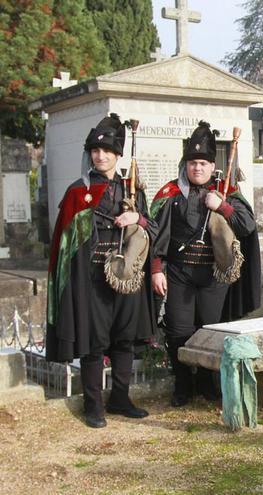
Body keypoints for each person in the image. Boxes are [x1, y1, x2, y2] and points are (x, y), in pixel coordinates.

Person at [46, 113, 155, 428]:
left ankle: (120, 398)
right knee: (94, 343)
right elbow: (65, 242)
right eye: (95, 150)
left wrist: (138, 220)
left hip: (127, 276)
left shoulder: (133, 191)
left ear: (118, 155)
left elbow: (154, 228)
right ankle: (93, 405)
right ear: (90, 154)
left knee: (123, 339)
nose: (101, 155)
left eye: (107, 151)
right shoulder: (77, 193)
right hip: (91, 278)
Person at [150, 121, 261, 407]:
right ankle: (183, 385)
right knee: (178, 331)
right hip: (179, 273)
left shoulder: (227, 191)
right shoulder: (170, 195)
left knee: (211, 330)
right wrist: (156, 269)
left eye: (202, 163)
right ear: (185, 165)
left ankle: (208, 384)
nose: (197, 168)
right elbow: (155, 235)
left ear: (212, 166)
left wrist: (222, 206)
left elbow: (247, 225)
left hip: (213, 276)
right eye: (192, 163)